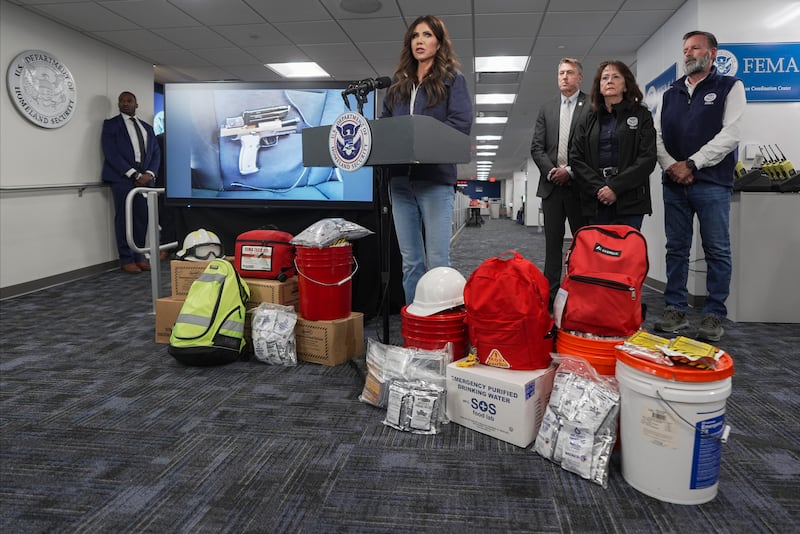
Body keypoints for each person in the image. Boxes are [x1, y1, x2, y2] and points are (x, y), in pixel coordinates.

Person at [654, 31, 746, 342]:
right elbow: (657, 138)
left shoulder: (729, 87)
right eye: (686, 49)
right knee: (676, 249)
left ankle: (713, 314)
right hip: (674, 184)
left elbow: (730, 134)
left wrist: (692, 163)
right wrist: (672, 166)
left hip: (712, 183)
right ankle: (675, 309)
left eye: (695, 48)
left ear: (712, 53)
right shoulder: (671, 93)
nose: (689, 54)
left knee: (717, 249)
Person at [380, 15, 473, 303]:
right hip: (400, 183)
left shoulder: (452, 80)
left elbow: (460, 124)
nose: (420, 40)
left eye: (427, 35)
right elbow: (385, 126)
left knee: (437, 263)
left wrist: (422, 145)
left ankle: (438, 326)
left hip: (435, 181)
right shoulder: (398, 85)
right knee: (410, 262)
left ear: (439, 42)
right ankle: (414, 327)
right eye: (415, 36)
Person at [531, 57, 590, 310]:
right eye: (560, 73)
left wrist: (570, 171)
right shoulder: (547, 108)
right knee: (552, 247)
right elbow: (537, 147)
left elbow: (591, 148)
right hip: (552, 187)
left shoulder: (592, 106)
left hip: (579, 187)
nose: (564, 77)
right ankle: (551, 297)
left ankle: (580, 295)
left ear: (580, 77)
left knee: (582, 245)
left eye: (569, 73)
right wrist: (553, 171)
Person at [570, 60, 656, 231]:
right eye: (605, 78)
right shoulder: (588, 119)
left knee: (627, 253)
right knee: (598, 253)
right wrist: (600, 188)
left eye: (616, 77)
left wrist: (615, 187)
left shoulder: (641, 115)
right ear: (599, 87)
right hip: (596, 198)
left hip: (629, 197)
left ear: (625, 86)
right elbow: (576, 158)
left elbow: (647, 157)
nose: (609, 81)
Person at [101, 91, 161, 273]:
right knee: (124, 218)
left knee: (142, 218)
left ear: (136, 104)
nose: (124, 104)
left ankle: (139, 255)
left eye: (129, 101)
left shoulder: (147, 128)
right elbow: (111, 153)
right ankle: (126, 258)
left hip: (145, 180)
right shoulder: (111, 125)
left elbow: (156, 153)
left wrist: (149, 174)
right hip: (122, 179)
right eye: (121, 101)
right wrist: (134, 174)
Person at [155, 132, 176, 260]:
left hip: (185, 182)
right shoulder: (160, 139)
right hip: (164, 183)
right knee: (166, 218)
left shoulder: (187, 136)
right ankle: (166, 247)